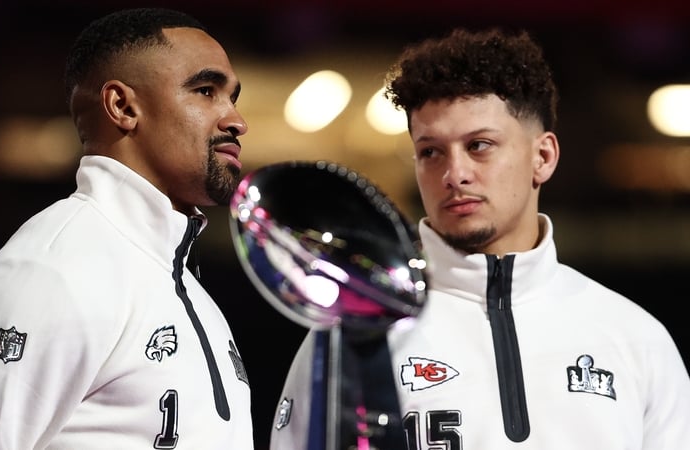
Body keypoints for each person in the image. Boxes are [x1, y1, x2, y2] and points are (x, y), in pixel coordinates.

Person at [269, 27, 690, 449]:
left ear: (542, 157)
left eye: (480, 145)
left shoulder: (636, 338)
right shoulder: (355, 337)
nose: (454, 175)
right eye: (430, 152)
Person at [0, 7, 254, 449]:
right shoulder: (54, 272)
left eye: (232, 97)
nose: (236, 121)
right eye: (205, 91)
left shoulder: (181, 283)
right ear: (123, 106)